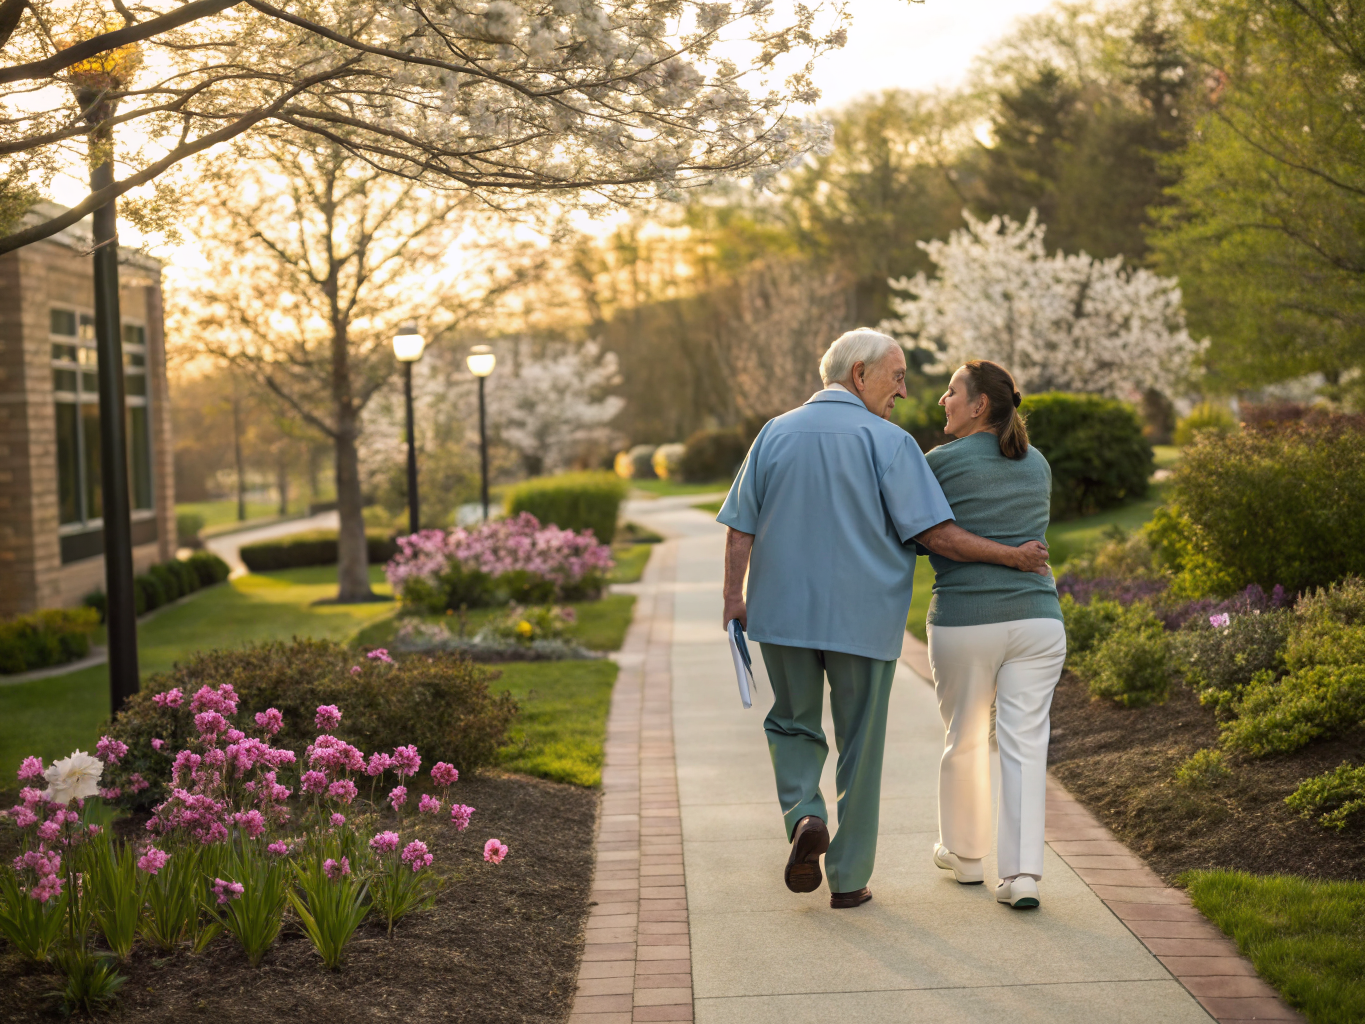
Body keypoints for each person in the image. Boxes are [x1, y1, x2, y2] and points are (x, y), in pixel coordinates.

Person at [716, 330, 1050, 909]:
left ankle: (803, 815)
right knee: (860, 748)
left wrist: (733, 599)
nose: (904, 390)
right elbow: (932, 533)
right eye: (896, 376)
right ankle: (848, 881)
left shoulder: (774, 432)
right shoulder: (891, 445)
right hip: (864, 622)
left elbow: (740, 524)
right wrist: (1013, 556)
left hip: (783, 614)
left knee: (792, 723)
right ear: (859, 374)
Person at [922, 359, 1065, 910]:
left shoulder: (938, 464)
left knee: (965, 739)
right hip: (1037, 622)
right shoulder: (1039, 465)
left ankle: (965, 858)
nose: (943, 400)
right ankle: (1022, 876)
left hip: (966, 621)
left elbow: (928, 537)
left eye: (952, 391)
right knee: (1025, 746)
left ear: (980, 404)